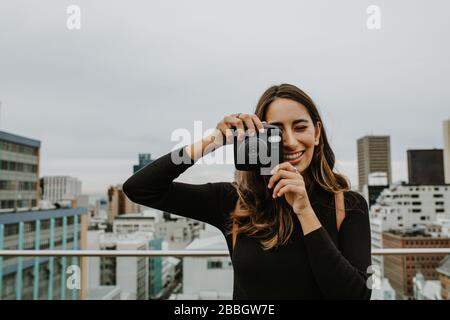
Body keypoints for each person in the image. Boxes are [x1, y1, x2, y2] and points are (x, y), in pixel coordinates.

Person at [123, 83, 372, 300]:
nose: (290, 142)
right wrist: (212, 141)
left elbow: (356, 295)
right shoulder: (235, 201)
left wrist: (304, 210)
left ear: (317, 133)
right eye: (276, 131)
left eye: (300, 127)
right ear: (258, 138)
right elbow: (141, 188)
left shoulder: (348, 205)